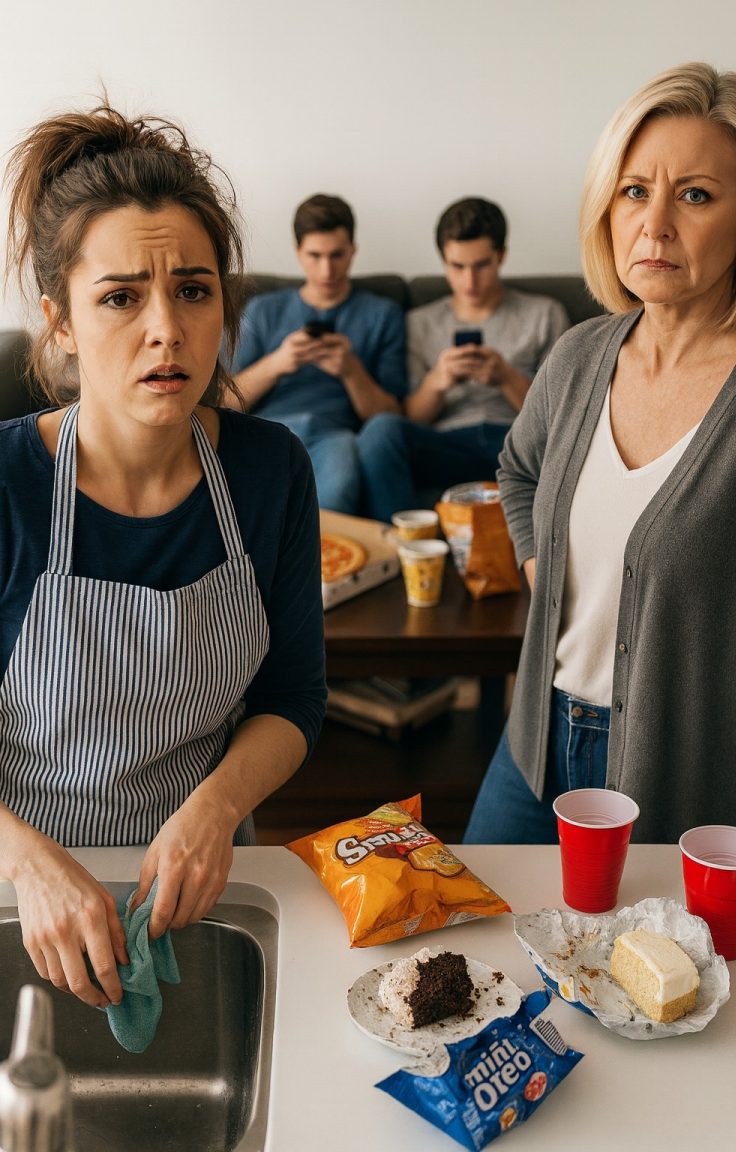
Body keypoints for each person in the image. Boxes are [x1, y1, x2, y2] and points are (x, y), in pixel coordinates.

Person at [0, 104, 326, 1008]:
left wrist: (215, 811)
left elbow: (293, 699)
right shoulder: (6, 486)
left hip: (201, 888)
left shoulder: (269, 471)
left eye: (193, 289)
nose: (166, 331)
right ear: (59, 322)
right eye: (118, 297)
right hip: (20, 892)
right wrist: (29, 865)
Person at [464, 62, 736, 846]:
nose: (654, 224)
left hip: (687, 782)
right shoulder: (578, 354)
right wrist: (542, 567)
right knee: (477, 956)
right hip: (534, 740)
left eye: (694, 195)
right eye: (634, 190)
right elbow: (519, 471)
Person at [357, 197, 569, 522]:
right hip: (446, 443)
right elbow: (411, 416)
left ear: (501, 256)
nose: (469, 281)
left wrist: (505, 377)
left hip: (515, 440)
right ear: (443, 262)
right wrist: (437, 383)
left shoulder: (544, 314)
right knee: (381, 430)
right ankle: (403, 552)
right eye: (457, 267)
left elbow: (560, 419)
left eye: (481, 265)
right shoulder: (419, 323)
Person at [226, 194, 406, 513]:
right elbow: (224, 402)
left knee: (333, 500)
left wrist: (351, 371)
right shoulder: (263, 309)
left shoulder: (382, 314)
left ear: (353, 251)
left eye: (337, 255)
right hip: (268, 431)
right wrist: (278, 363)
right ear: (298, 254)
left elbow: (387, 418)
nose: (327, 269)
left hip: (335, 436)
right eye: (315, 255)